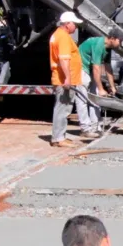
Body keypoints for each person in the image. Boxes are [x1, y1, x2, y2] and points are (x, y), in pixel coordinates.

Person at [76, 29, 123, 138]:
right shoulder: (99, 45)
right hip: (80, 68)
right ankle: (85, 128)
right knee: (82, 99)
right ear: (112, 38)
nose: (120, 43)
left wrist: (113, 87)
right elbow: (96, 68)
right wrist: (101, 88)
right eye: (119, 41)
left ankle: (95, 127)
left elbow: (108, 68)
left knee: (95, 99)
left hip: (89, 69)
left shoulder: (108, 48)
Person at [49, 11, 84, 148]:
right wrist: (68, 79)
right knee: (62, 109)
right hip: (64, 80)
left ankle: (60, 136)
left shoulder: (58, 35)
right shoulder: (62, 37)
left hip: (62, 79)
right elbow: (64, 59)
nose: (76, 27)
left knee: (63, 109)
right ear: (67, 24)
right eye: (74, 24)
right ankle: (58, 138)